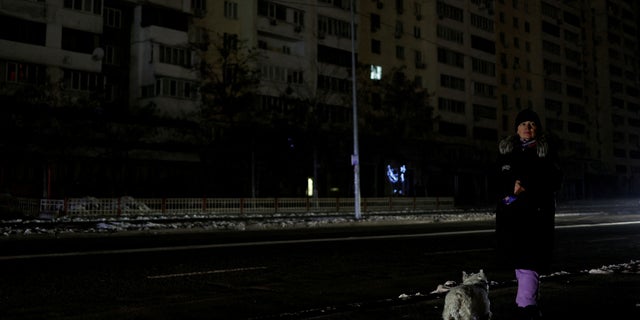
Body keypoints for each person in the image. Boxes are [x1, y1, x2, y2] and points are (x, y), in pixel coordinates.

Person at [495, 108, 562, 319]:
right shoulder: (507, 152)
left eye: (532, 124)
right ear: (516, 128)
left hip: (535, 216)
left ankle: (527, 307)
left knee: (528, 262)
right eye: (523, 124)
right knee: (520, 263)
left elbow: (554, 180)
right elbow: (495, 178)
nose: (527, 128)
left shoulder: (546, 152)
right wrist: (510, 190)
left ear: (537, 129)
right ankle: (526, 304)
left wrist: (526, 187)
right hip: (512, 217)